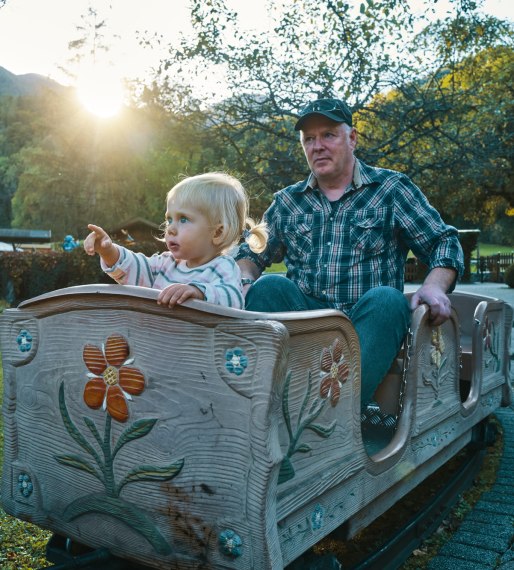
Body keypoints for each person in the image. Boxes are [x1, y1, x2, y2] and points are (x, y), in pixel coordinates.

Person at [236, 98, 464, 406]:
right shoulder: (288, 201)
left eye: (328, 135)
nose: (317, 146)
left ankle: (335, 420)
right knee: (268, 286)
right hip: (303, 323)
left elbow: (443, 241)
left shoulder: (391, 189)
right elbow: (251, 251)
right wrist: (245, 277)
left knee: (388, 300)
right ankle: (261, 405)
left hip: (366, 325)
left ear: (352, 138)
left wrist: (434, 287)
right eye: (309, 139)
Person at [84, 172, 268, 309]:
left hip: (199, 354)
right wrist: (108, 251)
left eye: (183, 219)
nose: (170, 228)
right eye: (169, 219)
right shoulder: (165, 264)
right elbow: (136, 268)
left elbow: (233, 299)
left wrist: (199, 292)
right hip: (160, 349)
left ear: (217, 232)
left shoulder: (222, 268)